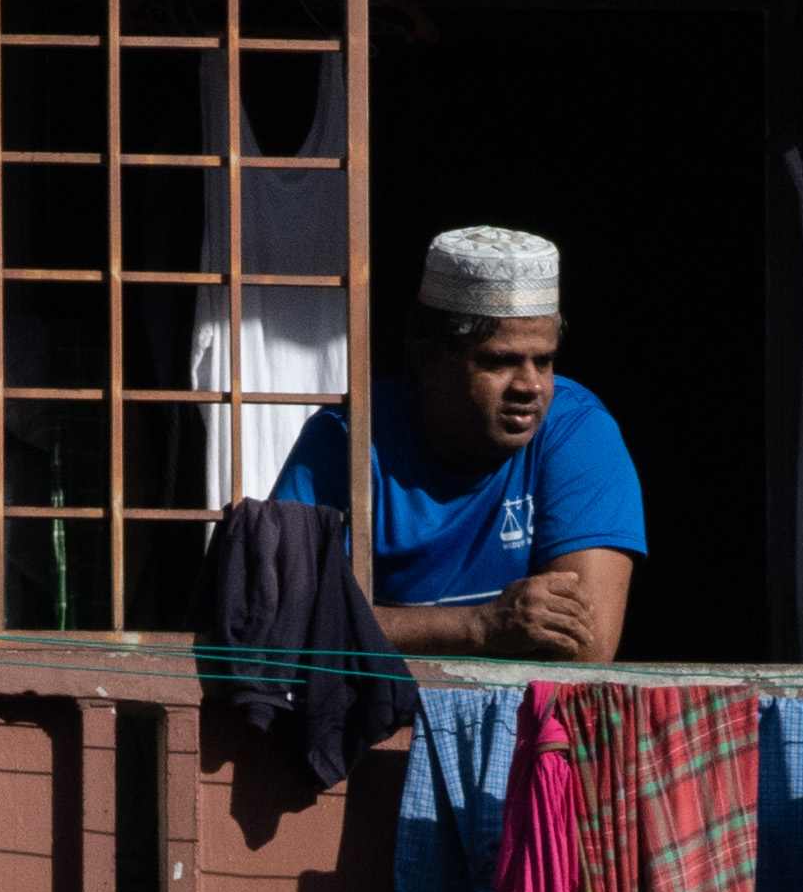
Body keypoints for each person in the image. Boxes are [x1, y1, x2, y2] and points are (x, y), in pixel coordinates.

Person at [264, 227, 644, 662]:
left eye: (544, 360)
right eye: (499, 361)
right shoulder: (345, 440)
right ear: (428, 357)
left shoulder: (576, 430)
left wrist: (371, 629)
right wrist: (478, 626)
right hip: (374, 719)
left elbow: (584, 650)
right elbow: (282, 620)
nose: (531, 386)